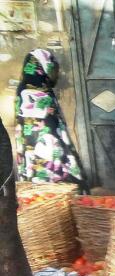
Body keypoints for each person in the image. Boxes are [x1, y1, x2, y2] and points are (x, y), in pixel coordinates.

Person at [13, 49, 84, 185]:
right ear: (44, 67)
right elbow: (53, 125)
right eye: (52, 68)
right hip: (48, 148)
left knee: (35, 189)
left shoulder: (21, 89)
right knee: (57, 187)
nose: (54, 73)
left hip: (28, 149)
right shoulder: (42, 91)